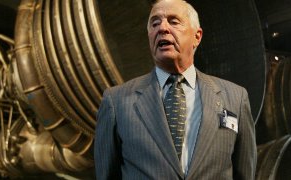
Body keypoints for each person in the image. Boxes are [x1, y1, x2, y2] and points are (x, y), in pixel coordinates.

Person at [94, 0, 257, 179]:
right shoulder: (116, 101)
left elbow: (245, 174)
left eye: (173, 21)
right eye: (154, 23)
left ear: (197, 36)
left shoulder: (235, 97)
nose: (162, 28)